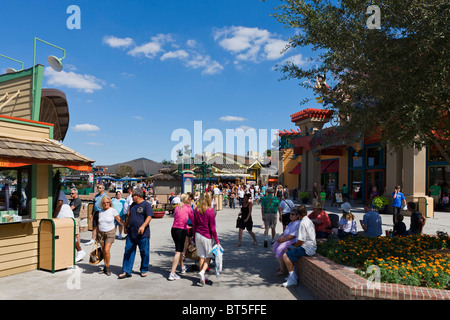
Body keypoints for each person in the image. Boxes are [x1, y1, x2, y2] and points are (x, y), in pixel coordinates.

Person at [119, 188, 153, 279]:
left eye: (132, 195)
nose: (131, 197)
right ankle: (126, 270)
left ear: (138, 196)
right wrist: (126, 226)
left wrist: (143, 226)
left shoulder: (146, 205)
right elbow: (129, 216)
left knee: (144, 252)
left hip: (143, 234)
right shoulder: (133, 205)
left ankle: (144, 269)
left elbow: (149, 217)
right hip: (131, 233)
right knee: (128, 251)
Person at [281, 206, 316, 288]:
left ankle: (293, 280)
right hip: (309, 246)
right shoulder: (308, 220)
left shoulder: (302, 223)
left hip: (306, 248)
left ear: (299, 214)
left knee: (285, 256)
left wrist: (295, 246)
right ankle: (293, 275)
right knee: (287, 250)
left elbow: (301, 241)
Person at [193, 192, 219, 286]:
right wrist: (216, 239)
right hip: (206, 236)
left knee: (201, 256)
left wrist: (193, 237)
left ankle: (202, 277)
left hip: (197, 235)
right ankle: (203, 272)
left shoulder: (196, 210)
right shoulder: (210, 211)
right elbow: (212, 228)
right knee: (209, 256)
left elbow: (194, 224)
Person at [96, 197, 124, 276]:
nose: (106, 204)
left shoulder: (112, 210)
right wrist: (96, 235)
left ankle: (107, 267)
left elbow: (118, 219)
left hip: (110, 232)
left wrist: (125, 225)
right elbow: (98, 224)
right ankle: (105, 266)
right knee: (103, 250)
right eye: (104, 203)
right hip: (101, 233)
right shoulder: (100, 212)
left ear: (110, 203)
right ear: (102, 203)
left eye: (107, 202)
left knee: (106, 250)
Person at [169, 194, 194, 280]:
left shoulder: (177, 207)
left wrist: (186, 226)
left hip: (174, 229)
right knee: (178, 251)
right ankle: (172, 273)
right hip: (181, 230)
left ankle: (182, 267)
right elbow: (193, 220)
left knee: (178, 249)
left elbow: (178, 219)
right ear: (187, 200)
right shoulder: (189, 208)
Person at [273, 207, 301, 276]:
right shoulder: (291, 222)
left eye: (292, 214)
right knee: (275, 246)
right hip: (285, 238)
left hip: (291, 240)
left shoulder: (297, 223)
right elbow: (285, 232)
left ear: (297, 216)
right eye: (290, 214)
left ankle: (282, 270)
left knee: (279, 249)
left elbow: (291, 236)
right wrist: (280, 236)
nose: (290, 215)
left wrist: (281, 240)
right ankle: (281, 266)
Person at [69, 188, 86, 262]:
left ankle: (79, 249)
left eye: (72, 193)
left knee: (76, 233)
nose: (71, 194)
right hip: (72, 218)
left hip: (75, 218)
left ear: (76, 193)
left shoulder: (77, 200)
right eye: (70, 193)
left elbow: (71, 208)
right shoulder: (72, 200)